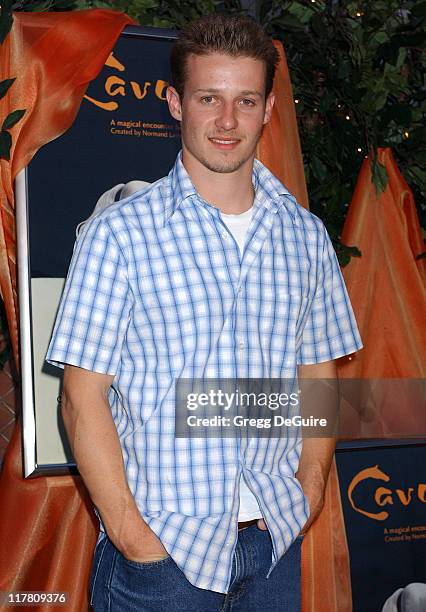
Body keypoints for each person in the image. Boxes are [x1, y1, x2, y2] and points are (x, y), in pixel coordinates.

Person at [46, 14, 362, 612]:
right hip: (163, 556)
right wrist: (133, 536)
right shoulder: (119, 235)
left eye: (245, 100)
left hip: (272, 542)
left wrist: (310, 490)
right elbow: (81, 397)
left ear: (268, 108)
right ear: (174, 103)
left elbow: (319, 375)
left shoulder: (305, 236)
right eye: (208, 98)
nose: (226, 121)